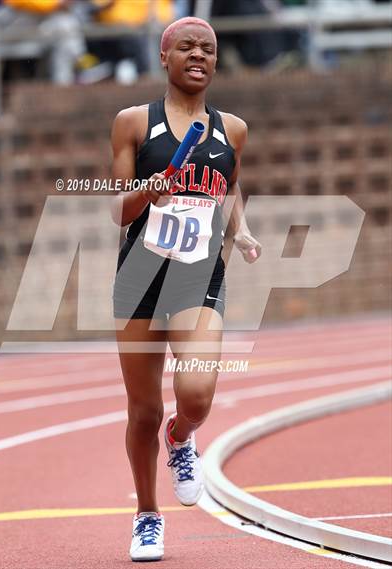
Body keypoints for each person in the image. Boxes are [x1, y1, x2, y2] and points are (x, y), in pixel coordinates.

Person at [110, 16, 261, 562]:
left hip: (199, 278)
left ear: (216, 62)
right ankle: (148, 515)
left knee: (195, 396)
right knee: (142, 411)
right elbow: (117, 211)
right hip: (140, 280)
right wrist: (153, 188)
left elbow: (231, 183)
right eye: (186, 47)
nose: (199, 55)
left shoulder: (233, 129)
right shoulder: (133, 123)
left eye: (209, 49)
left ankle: (182, 437)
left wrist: (239, 229)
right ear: (165, 57)